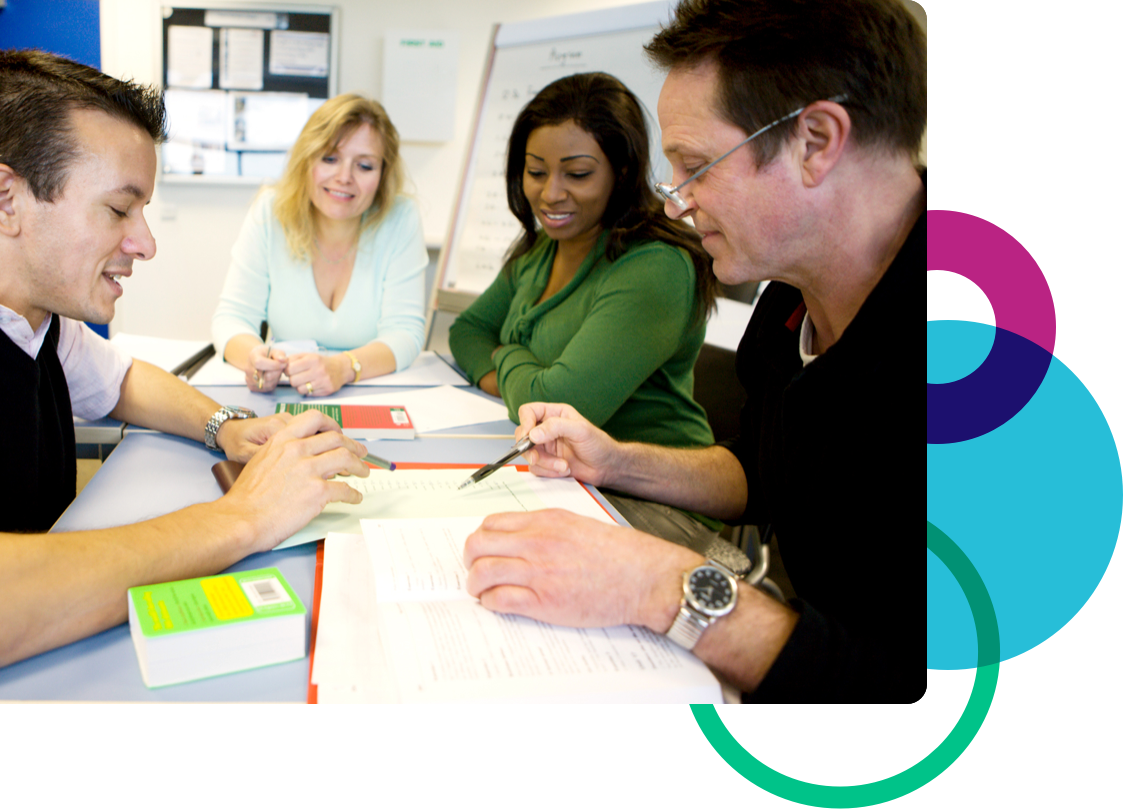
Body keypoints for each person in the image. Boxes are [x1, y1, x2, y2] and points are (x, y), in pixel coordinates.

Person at [0, 50, 369, 701]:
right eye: (121, 210)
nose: (145, 242)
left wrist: (230, 429)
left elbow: (120, 380)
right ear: (4, 198)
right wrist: (244, 517)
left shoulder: (22, 312)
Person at [463, 0, 927, 704]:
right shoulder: (786, 305)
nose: (677, 202)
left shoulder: (1014, 365)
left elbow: (970, 714)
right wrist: (617, 461)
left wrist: (662, 586)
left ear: (816, 140)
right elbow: (762, 472)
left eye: (696, 167)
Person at [448, 73, 719, 451]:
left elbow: (563, 409)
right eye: (536, 172)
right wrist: (524, 382)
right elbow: (467, 331)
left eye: (577, 174)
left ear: (621, 172)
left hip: (648, 497)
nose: (550, 194)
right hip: (561, 473)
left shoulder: (656, 265)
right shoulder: (543, 246)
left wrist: (503, 355)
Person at [212, 94, 428, 397]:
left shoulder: (400, 217)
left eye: (364, 166)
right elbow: (232, 317)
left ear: (383, 174)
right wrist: (253, 357)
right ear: (307, 160)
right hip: (286, 393)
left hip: (370, 391)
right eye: (329, 159)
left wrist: (343, 367)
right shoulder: (270, 210)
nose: (344, 178)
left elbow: (406, 333)